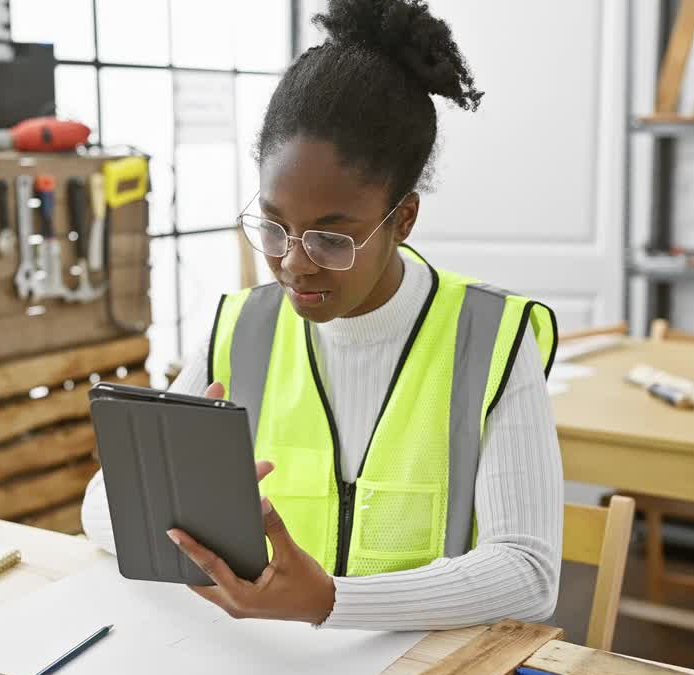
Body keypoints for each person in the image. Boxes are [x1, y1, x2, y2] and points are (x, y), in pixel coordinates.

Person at [82, 0, 563, 630]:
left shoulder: (492, 338)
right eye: (275, 227)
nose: (294, 265)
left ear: (404, 219)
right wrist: (194, 517)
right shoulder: (240, 328)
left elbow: (529, 575)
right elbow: (100, 502)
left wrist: (329, 602)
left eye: (333, 239)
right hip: (270, 670)